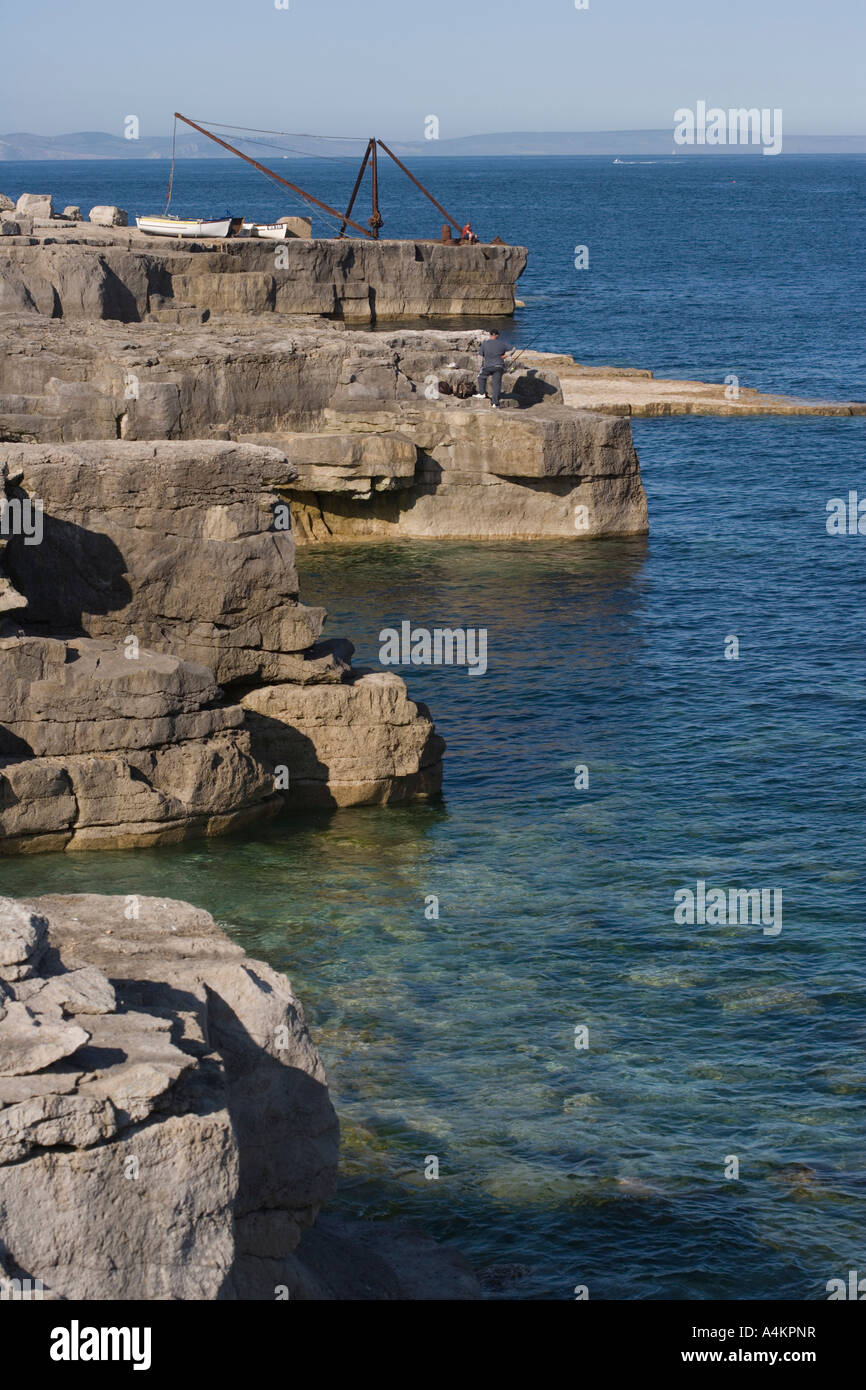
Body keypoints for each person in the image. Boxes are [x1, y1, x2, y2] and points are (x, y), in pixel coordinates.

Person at [475, 329, 513, 409]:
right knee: (496, 385)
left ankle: (482, 393)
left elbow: (480, 356)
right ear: (497, 335)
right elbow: (513, 349)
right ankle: (495, 403)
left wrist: (480, 367)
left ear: (490, 335)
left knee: (481, 376)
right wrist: (506, 355)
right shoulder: (502, 343)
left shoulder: (485, 344)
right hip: (499, 366)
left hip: (488, 366)